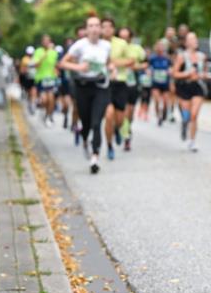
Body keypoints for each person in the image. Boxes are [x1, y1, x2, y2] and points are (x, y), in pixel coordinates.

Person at [59, 14, 114, 174]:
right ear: (86, 29)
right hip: (82, 87)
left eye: (97, 26)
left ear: (101, 29)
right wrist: (79, 68)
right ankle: (84, 138)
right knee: (87, 122)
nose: (95, 29)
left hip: (100, 86)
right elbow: (63, 62)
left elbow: (109, 62)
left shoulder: (106, 46)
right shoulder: (79, 46)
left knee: (97, 122)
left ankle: (95, 157)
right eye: (91, 26)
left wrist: (112, 68)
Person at [172, 31, 210, 151]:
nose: (194, 41)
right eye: (191, 39)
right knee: (187, 116)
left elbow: (204, 72)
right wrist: (187, 74)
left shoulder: (202, 56)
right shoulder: (181, 56)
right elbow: (174, 73)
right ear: (186, 42)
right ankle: (184, 124)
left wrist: (204, 75)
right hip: (184, 87)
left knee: (194, 115)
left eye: (195, 39)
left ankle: (192, 141)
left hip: (197, 87)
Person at [102, 17, 134, 161]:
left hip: (120, 83)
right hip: (103, 84)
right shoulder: (97, 44)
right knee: (108, 116)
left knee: (120, 119)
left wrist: (114, 63)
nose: (107, 29)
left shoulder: (121, 43)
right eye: (104, 26)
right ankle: (109, 146)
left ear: (113, 29)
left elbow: (131, 61)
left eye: (109, 26)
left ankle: (117, 129)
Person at [119, 27, 146, 152]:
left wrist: (135, 67)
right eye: (121, 37)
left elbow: (146, 63)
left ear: (130, 37)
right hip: (118, 84)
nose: (124, 40)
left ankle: (127, 133)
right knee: (121, 113)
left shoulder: (137, 49)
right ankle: (122, 132)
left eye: (126, 37)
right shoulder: (113, 47)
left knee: (129, 113)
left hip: (132, 84)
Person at [32, 34, 59, 127]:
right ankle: (44, 111)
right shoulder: (38, 51)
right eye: (45, 40)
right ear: (42, 42)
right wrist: (45, 54)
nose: (47, 42)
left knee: (51, 99)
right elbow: (36, 65)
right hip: (41, 78)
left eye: (48, 40)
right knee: (44, 100)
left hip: (51, 79)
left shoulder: (54, 52)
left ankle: (49, 116)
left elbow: (56, 64)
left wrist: (56, 72)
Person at [148, 39, 172, 125]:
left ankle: (165, 112)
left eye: (162, 47)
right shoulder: (152, 58)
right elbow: (148, 67)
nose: (160, 48)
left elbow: (171, 68)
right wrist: (149, 71)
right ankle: (159, 116)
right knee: (157, 100)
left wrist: (170, 71)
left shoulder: (167, 58)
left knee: (165, 101)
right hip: (155, 82)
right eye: (158, 46)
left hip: (165, 82)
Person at [19, 46, 36, 114]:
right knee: (29, 92)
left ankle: (32, 104)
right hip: (27, 78)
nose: (30, 55)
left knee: (33, 92)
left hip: (34, 78)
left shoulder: (35, 58)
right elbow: (22, 70)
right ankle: (30, 103)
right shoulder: (24, 59)